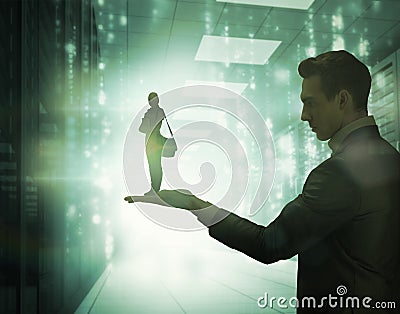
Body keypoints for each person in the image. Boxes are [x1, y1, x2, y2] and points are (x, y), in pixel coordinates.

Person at [126, 51, 400, 313]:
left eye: (311, 102)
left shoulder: (338, 172)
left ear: (342, 100)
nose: (304, 115)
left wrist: (195, 204)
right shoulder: (392, 158)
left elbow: (268, 244)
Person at [139, 92, 166, 195]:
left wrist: (147, 120)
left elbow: (143, 128)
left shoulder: (152, 112)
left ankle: (155, 189)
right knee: (153, 165)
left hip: (153, 140)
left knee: (155, 165)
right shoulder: (157, 111)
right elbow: (142, 129)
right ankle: (154, 188)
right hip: (152, 140)